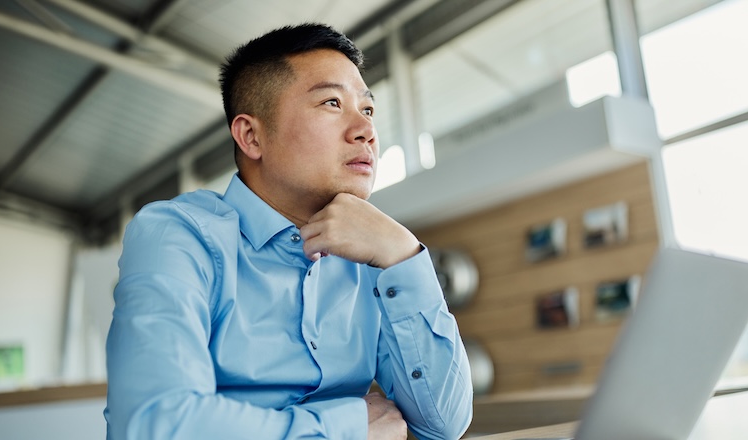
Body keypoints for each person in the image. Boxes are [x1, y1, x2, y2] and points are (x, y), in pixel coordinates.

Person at [104, 23, 473, 440]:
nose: (366, 131)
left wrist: (405, 255)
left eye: (368, 109)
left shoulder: (371, 254)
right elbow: (156, 424)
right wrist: (347, 427)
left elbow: (442, 425)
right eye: (332, 103)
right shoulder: (178, 235)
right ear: (251, 136)